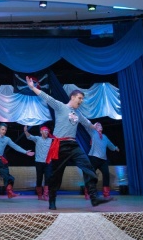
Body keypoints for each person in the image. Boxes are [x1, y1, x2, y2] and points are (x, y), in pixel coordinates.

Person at [26, 76, 111, 210]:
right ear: (72, 97)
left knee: (88, 167)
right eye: (79, 98)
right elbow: (47, 98)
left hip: (73, 145)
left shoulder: (77, 113)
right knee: (56, 175)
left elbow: (86, 122)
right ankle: (52, 201)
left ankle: (94, 197)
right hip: (60, 146)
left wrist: (93, 126)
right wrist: (32, 88)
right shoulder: (61, 107)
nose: (81, 101)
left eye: (82, 99)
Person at [0, 123, 35, 201]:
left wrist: (25, 152)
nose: (4, 131)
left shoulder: (7, 139)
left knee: (7, 175)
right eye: (2, 129)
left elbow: (15, 146)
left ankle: (10, 192)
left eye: (5, 130)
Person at [85, 122, 120, 200]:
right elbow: (87, 127)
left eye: (100, 125)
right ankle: (88, 193)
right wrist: (91, 126)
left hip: (103, 160)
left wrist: (115, 148)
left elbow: (110, 144)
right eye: (98, 125)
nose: (100, 126)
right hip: (94, 158)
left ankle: (106, 194)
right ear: (95, 127)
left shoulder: (105, 137)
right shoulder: (93, 133)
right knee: (91, 175)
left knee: (106, 174)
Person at [24, 125, 53, 201]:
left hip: (48, 162)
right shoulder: (37, 139)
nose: (46, 132)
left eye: (47, 131)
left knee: (48, 178)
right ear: (41, 132)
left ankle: (45, 194)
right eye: (45, 131)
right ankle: (39, 194)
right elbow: (29, 137)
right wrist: (25, 131)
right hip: (39, 162)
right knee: (39, 178)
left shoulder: (50, 140)